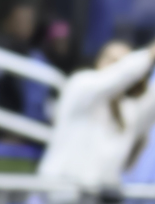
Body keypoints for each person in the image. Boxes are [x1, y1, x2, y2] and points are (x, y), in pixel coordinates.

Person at [36, 37, 155, 192]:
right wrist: (149, 55)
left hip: (104, 193)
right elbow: (117, 77)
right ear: (99, 60)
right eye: (111, 59)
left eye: (122, 62)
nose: (117, 67)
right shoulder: (81, 84)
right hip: (62, 186)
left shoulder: (130, 108)